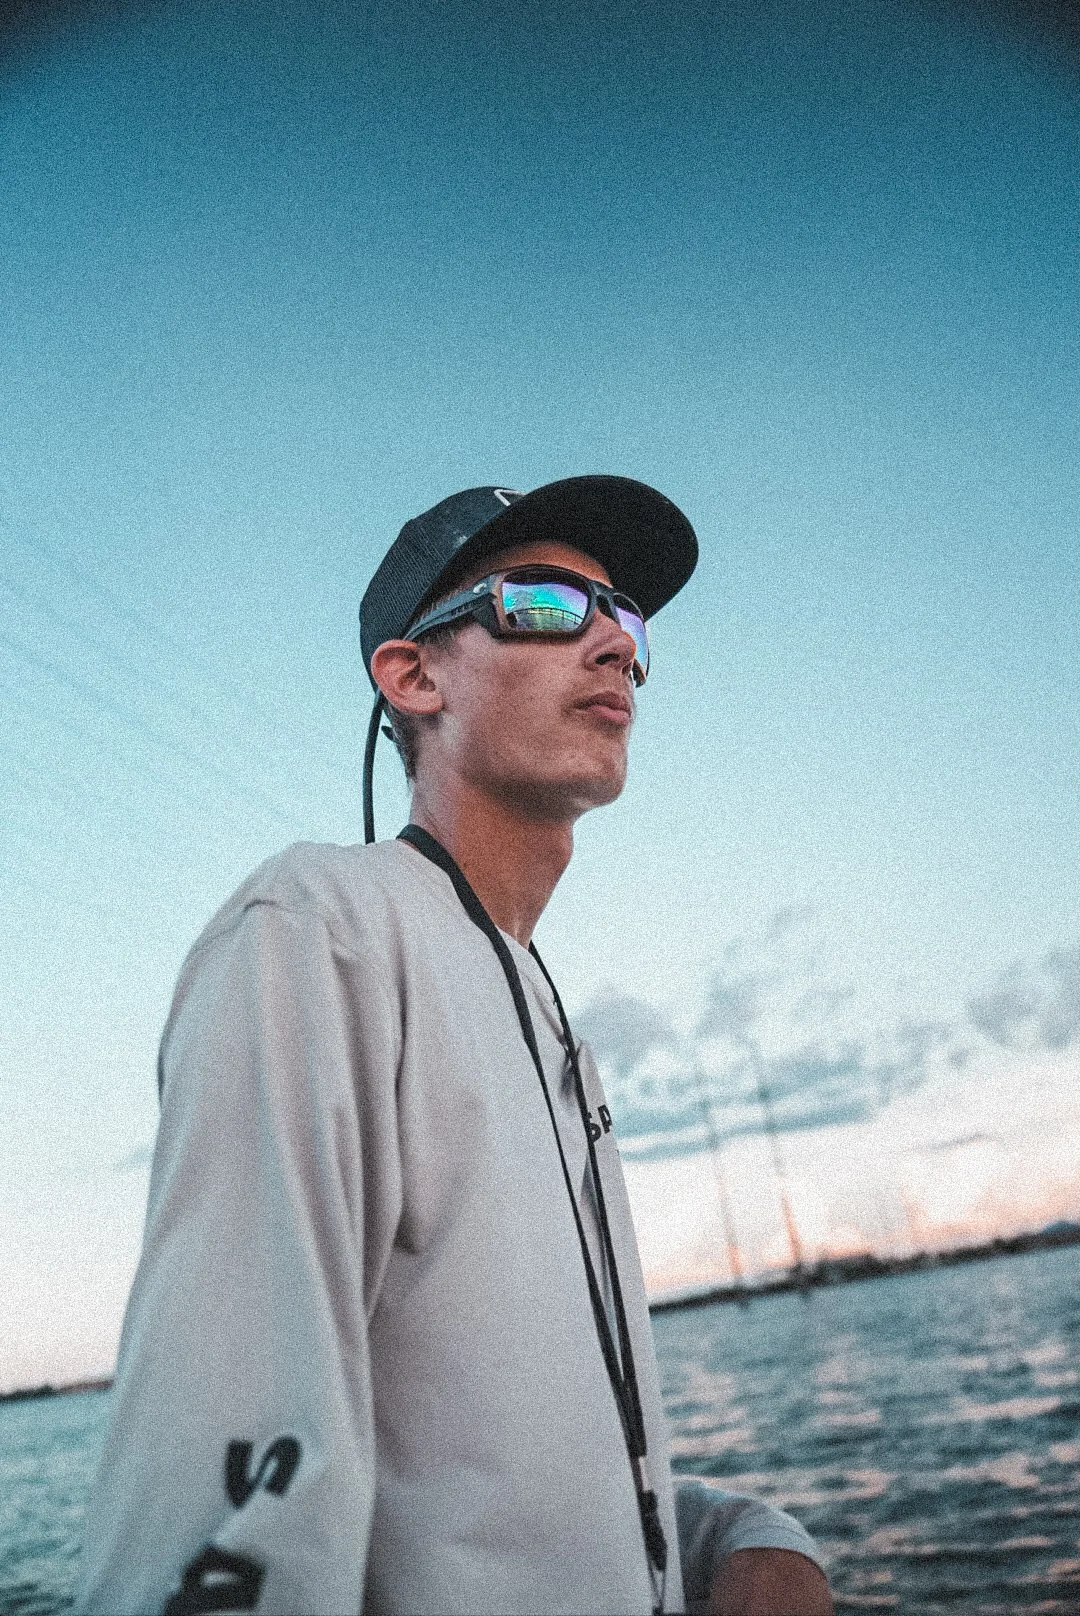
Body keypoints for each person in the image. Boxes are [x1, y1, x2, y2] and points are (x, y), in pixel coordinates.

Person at [77, 476, 833, 1616]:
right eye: (546, 603)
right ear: (413, 675)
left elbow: (510, 1487)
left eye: (625, 621)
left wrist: (742, 1536)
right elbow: (217, 1516)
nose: (614, 647)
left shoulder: (551, 1017)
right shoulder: (319, 932)